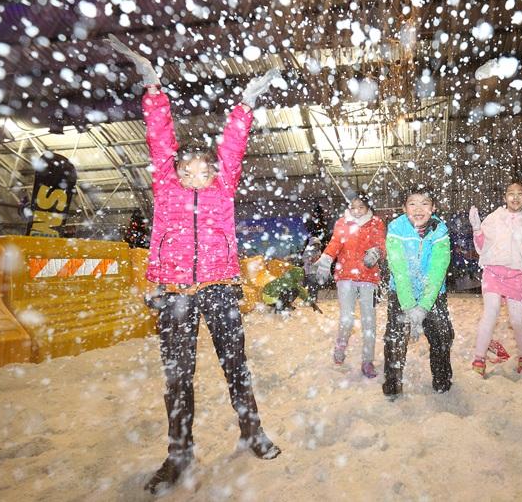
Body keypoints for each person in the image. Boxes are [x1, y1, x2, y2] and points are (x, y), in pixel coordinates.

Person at [107, 34, 282, 494]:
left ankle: (252, 432)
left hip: (221, 286)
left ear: (215, 173)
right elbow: (160, 140)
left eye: (205, 170)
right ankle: (178, 455)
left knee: (235, 365)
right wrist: (152, 87)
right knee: (178, 378)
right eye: (189, 170)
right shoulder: (165, 189)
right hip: (174, 292)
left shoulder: (224, 190)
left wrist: (246, 104)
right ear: (177, 172)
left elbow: (233, 147)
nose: (197, 175)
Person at [381, 184, 453, 397]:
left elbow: (438, 269)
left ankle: (442, 381)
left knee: (442, 336)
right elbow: (398, 268)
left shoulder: (440, 229)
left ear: (434, 207)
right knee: (394, 339)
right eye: (412, 203)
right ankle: (393, 386)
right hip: (401, 292)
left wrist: (424, 305)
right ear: (404, 208)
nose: (418, 209)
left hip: (433, 294)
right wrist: (409, 304)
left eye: (425, 203)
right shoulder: (396, 228)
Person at [468, 182, 522, 377]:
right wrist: (477, 229)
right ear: (504, 197)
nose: (515, 197)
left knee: (518, 319)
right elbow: (482, 246)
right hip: (493, 272)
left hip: (515, 275)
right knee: (490, 312)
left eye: (520, 194)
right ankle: (479, 358)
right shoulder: (494, 218)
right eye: (511, 193)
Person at [315, 194, 386, 378]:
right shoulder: (342, 223)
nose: (356, 211)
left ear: (367, 208)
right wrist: (326, 259)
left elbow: (381, 244)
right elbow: (335, 243)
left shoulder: (376, 223)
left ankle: (367, 360)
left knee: (368, 321)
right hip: (345, 276)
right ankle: (341, 345)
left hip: (368, 278)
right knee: (346, 318)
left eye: (360, 207)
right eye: (353, 207)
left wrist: (376, 252)